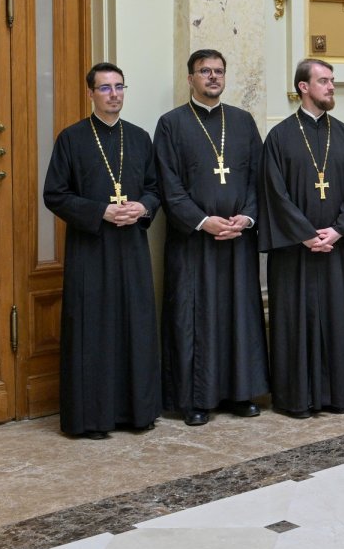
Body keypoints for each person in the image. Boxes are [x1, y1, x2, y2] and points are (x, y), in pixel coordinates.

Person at [43, 63, 161, 439]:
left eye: (119, 87)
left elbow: (156, 189)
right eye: (105, 88)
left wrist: (142, 207)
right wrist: (101, 211)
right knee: (93, 331)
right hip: (90, 250)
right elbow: (55, 194)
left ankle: (137, 413)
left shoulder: (140, 138)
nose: (114, 94)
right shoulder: (72, 138)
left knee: (134, 325)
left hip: (131, 249)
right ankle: (92, 418)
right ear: (90, 94)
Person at [154, 49, 269, 427]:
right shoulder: (171, 124)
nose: (213, 77)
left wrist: (247, 217)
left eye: (219, 71)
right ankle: (195, 399)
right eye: (205, 71)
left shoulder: (241, 121)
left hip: (238, 239)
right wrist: (204, 221)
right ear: (190, 79)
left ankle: (240, 394)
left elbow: (258, 178)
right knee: (195, 318)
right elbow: (168, 186)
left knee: (239, 315)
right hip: (194, 243)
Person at [258, 59, 344, 417]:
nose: (331, 87)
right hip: (294, 253)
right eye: (324, 81)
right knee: (294, 321)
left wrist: (338, 231)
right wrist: (306, 235)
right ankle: (296, 398)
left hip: (335, 251)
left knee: (335, 322)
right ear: (303, 88)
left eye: (332, 81)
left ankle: (337, 395)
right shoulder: (279, 137)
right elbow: (273, 194)